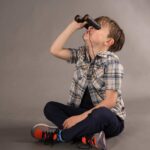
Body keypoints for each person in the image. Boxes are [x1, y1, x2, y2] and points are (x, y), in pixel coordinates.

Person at [31, 16, 126, 150]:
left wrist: (80, 118)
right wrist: (73, 26)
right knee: (50, 107)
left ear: (108, 41)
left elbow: (110, 102)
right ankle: (88, 137)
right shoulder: (82, 54)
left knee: (101, 113)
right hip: (83, 112)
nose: (91, 28)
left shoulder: (112, 63)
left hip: (108, 119)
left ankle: (61, 135)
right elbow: (55, 50)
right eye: (91, 26)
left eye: (97, 28)